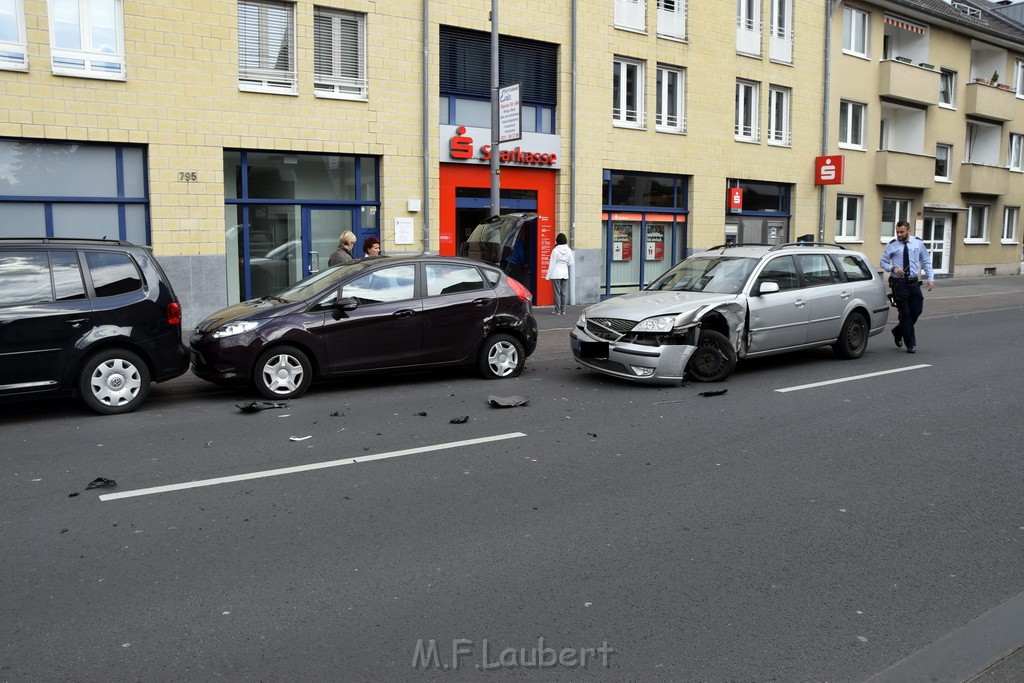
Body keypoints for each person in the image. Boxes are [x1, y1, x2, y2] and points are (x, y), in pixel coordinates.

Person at [880, 220, 935, 353]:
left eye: (901, 232)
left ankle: (898, 331)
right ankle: (911, 344)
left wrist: (930, 278)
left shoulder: (917, 243)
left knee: (916, 311)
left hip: (913, 283)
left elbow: (926, 261)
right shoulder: (891, 245)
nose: (899, 235)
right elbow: (883, 262)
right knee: (904, 314)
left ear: (909, 231)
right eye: (897, 232)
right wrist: (893, 268)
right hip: (899, 284)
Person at [544, 233, 575, 315]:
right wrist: (565, 262)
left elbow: (552, 265)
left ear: (557, 240)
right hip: (565, 273)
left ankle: (557, 311)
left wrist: (547, 277)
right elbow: (571, 263)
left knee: (557, 292)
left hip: (556, 273)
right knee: (564, 292)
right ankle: (563, 310)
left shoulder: (555, 250)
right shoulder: (569, 250)